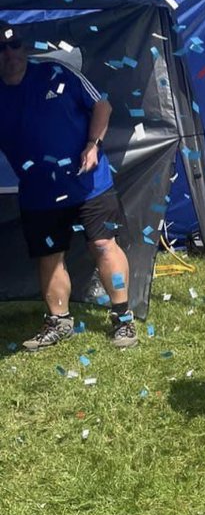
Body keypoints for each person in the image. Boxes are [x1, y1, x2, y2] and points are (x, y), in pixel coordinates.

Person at [0, 22, 138, 351]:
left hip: (89, 183)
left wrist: (93, 144)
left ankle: (123, 318)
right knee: (49, 256)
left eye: (15, 45)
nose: (9, 54)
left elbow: (102, 105)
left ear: (24, 47)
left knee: (103, 245)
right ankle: (59, 322)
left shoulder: (56, 72)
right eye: (0, 49)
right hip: (39, 192)